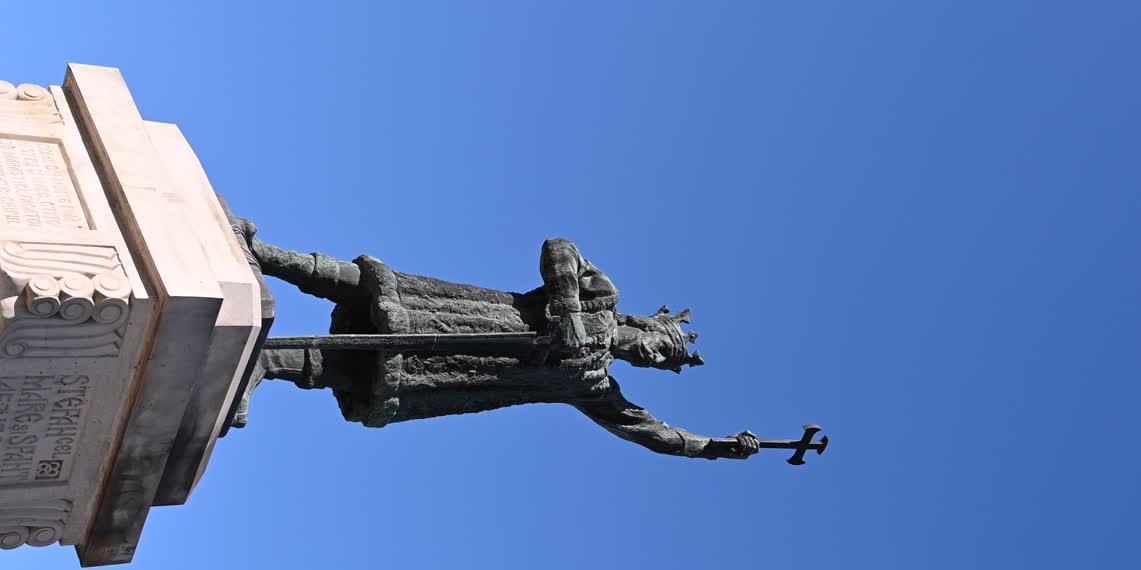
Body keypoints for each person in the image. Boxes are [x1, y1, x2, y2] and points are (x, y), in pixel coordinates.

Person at [233, 221, 760, 460]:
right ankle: (265, 251)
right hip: (459, 312)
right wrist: (568, 306)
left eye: (659, 361)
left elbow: (647, 432)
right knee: (372, 290)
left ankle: (266, 366)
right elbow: (561, 247)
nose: (651, 355)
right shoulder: (603, 297)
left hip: (458, 372)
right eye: (661, 345)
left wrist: (711, 447)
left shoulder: (594, 385)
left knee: (369, 368)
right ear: (651, 326)